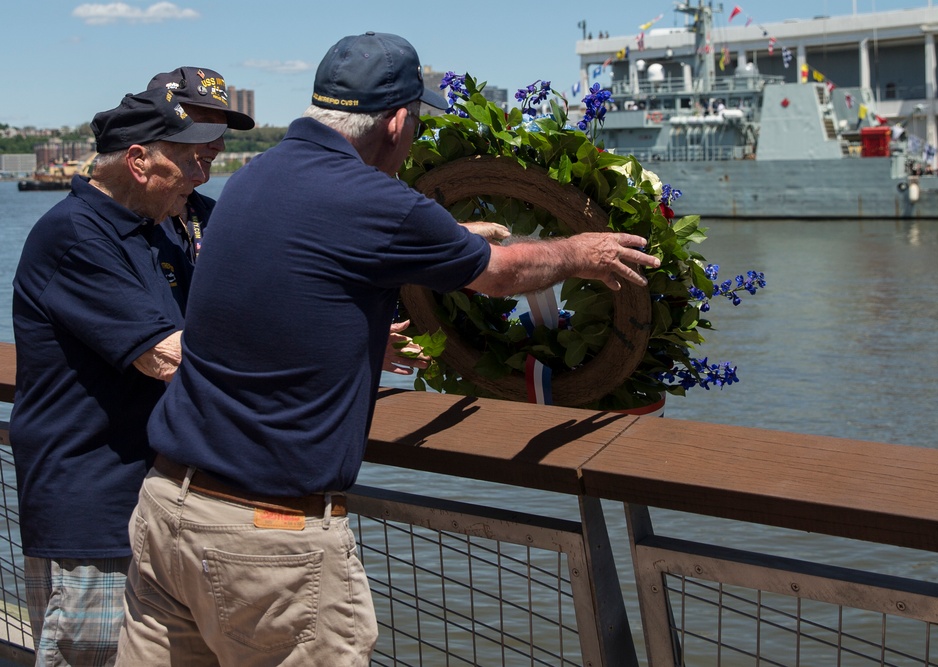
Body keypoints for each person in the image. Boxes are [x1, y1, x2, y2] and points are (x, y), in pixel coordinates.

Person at [115, 32, 659, 665]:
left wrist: (448, 236)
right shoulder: (376, 200)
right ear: (398, 121)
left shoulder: (254, 179)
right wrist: (581, 252)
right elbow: (502, 274)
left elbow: (330, 245)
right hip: (268, 540)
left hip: (167, 511)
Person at [10, 87, 227, 666]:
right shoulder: (77, 233)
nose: (203, 175)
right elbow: (168, 357)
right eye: (192, 159)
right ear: (138, 161)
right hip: (96, 517)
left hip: (160, 506)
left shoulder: (162, 226)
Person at [146, 67, 255, 313]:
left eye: (221, 131)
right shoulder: (120, 221)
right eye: (206, 128)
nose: (219, 145)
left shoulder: (212, 215)